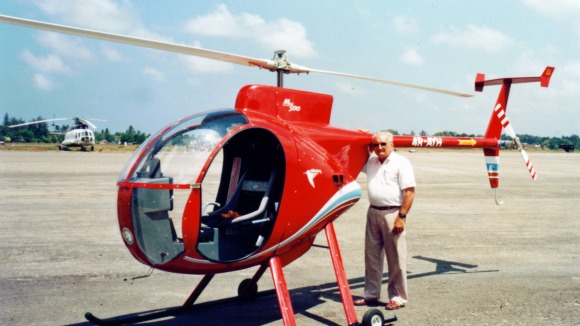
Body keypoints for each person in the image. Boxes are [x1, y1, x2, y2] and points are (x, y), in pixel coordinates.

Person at [354, 131, 416, 311]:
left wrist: (401, 217)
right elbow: (359, 153)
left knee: (395, 258)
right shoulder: (371, 162)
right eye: (375, 145)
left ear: (391, 144)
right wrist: (361, 134)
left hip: (392, 213)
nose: (379, 148)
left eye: (383, 144)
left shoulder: (401, 163)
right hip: (373, 212)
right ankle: (371, 294)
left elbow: (410, 192)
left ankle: (398, 297)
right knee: (372, 256)